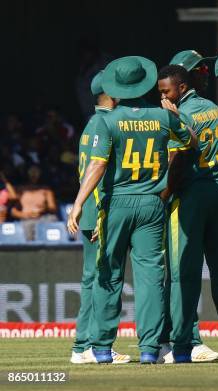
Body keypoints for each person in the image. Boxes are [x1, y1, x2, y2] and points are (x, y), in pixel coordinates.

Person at [67, 56, 197, 364]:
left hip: (117, 203)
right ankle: (150, 349)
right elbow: (190, 142)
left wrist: (78, 203)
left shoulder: (106, 120)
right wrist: (176, 116)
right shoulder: (162, 116)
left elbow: (98, 165)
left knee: (108, 274)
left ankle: (100, 348)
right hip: (152, 202)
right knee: (151, 277)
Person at [156, 64, 218, 363]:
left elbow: (178, 159)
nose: (162, 97)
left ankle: (181, 343)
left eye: (166, 91)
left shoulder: (178, 115)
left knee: (182, 274)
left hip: (190, 196)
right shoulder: (214, 108)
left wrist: (165, 192)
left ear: (181, 88)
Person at [69, 71, 130, 364]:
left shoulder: (91, 124)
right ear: (113, 95)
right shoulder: (104, 124)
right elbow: (95, 172)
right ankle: (90, 345)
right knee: (101, 281)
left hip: (93, 212)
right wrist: (96, 217)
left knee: (91, 279)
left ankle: (82, 346)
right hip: (98, 213)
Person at [11, 165, 58, 240]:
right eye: (31, 172)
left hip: (43, 218)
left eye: (36, 172)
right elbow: (13, 211)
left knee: (52, 220)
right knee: (26, 228)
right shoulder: (21, 189)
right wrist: (25, 215)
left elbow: (53, 208)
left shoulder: (46, 189)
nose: (34, 174)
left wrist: (44, 208)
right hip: (26, 220)